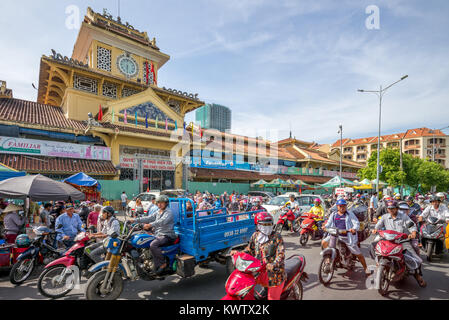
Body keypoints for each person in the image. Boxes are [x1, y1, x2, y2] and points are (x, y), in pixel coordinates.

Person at [230, 211, 285, 300]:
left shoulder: (276, 236)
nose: (267, 227)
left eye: (269, 224)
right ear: (258, 225)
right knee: (245, 289)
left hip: (274, 273)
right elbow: (249, 250)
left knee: (272, 298)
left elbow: (281, 254)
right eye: (264, 225)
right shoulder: (255, 236)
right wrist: (238, 253)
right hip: (258, 270)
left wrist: (274, 264)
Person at [371, 200, 426, 287]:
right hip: (388, 240)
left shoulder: (404, 216)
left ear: (397, 208)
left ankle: (417, 275)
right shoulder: (384, 217)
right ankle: (378, 264)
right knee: (374, 245)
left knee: (412, 255)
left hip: (402, 240)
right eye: (389, 208)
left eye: (393, 208)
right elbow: (378, 225)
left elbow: (411, 225)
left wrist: (413, 232)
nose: (391, 210)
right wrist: (375, 230)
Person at [321, 199, 370, 276]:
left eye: (344, 206)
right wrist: (325, 227)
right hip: (335, 235)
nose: (342, 207)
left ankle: (366, 268)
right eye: (340, 206)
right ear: (337, 207)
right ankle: (328, 260)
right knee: (324, 242)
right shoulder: (333, 214)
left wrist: (353, 229)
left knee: (358, 254)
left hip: (347, 237)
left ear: (346, 206)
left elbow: (356, 223)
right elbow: (329, 223)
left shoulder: (350, 214)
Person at [132, 195, 177, 275]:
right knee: (144, 240)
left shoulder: (169, 212)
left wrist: (150, 225)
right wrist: (135, 220)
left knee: (153, 245)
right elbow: (149, 218)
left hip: (167, 235)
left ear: (166, 203)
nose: (159, 204)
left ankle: (162, 263)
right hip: (158, 234)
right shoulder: (158, 211)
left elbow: (162, 221)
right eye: (158, 203)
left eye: (161, 203)